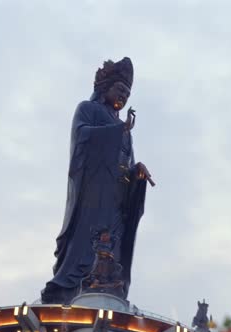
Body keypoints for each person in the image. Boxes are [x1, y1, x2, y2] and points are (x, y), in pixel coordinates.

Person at [41, 57, 152, 304]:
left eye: (127, 92)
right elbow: (82, 136)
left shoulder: (123, 128)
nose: (123, 96)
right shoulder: (88, 109)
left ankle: (107, 283)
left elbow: (127, 160)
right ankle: (73, 283)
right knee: (87, 240)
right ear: (104, 88)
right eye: (119, 89)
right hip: (94, 191)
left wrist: (137, 172)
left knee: (113, 244)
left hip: (117, 197)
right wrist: (116, 131)